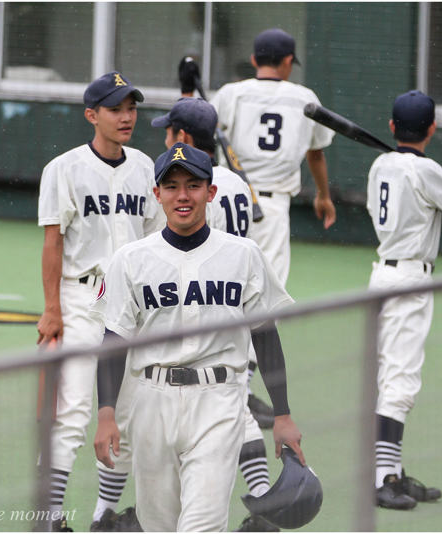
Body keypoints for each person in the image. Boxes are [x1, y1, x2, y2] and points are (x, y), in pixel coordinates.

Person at [90, 143, 305, 532]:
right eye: (171, 186)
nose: (183, 196)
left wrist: (284, 414)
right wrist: (106, 413)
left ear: (211, 192)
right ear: (156, 195)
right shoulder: (130, 259)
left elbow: (266, 337)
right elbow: (113, 342)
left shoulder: (244, 254)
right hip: (151, 401)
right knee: (158, 524)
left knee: (202, 525)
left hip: (219, 401)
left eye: (193, 185)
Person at [36, 71, 164, 531]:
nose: (127, 116)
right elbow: (53, 243)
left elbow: (155, 243)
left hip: (132, 307)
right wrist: (52, 308)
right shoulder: (64, 168)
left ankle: (103, 515)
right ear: (92, 115)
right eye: (116, 108)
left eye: (131, 107)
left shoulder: (147, 168)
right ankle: (48, 517)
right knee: (71, 412)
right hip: (81, 298)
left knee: (126, 415)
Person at [151, 97, 278, 532]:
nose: (165, 138)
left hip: (201, 305)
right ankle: (260, 501)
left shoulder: (184, 188)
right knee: (237, 406)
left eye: (170, 132)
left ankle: (256, 503)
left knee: (219, 412)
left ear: (183, 138)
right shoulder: (235, 183)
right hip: (233, 307)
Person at [366, 91, 442, 510]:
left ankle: (390, 472)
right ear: (432, 128)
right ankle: (381, 479)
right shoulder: (426, 169)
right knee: (400, 381)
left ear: (393, 127)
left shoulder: (381, 163)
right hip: (409, 279)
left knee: (387, 378)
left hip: (382, 273)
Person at [191, 27, 336, 287]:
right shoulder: (305, 98)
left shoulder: (230, 93)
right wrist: (323, 195)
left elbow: (199, 136)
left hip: (227, 200)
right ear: (289, 60)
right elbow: (316, 154)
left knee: (220, 285)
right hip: (272, 207)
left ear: (254, 60)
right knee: (266, 293)